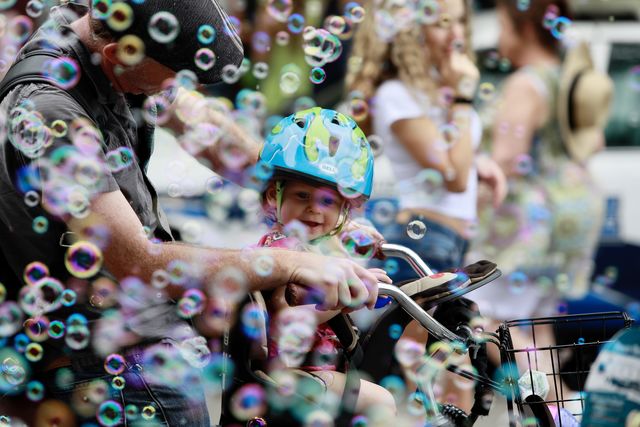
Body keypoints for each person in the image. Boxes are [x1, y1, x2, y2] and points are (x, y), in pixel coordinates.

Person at [0, 1, 380, 425]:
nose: (180, 89)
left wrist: (313, 198)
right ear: (117, 57)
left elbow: (212, 133)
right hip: (107, 365)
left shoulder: (104, 23)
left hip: (140, 339)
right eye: (174, 77)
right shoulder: (51, 112)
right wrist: (291, 262)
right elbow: (138, 261)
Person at [345, 0, 505, 412]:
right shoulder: (397, 94)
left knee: (447, 382)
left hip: (448, 243)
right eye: (441, 23)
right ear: (412, 33)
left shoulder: (435, 91)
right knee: (425, 382)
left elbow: (455, 159)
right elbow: (451, 173)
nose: (455, 34)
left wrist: (480, 164)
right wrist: (466, 97)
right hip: (424, 245)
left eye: (461, 22)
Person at [467, 0, 613, 401]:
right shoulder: (561, 75)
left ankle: (550, 407)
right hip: (570, 212)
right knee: (535, 327)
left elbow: (508, 159)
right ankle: (565, 406)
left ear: (524, 27)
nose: (498, 38)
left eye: (501, 25)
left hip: (527, 221)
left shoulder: (525, 83)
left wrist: (474, 184)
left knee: (482, 316)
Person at [254, 107, 396, 418]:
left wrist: (347, 232)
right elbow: (285, 323)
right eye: (302, 196)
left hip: (319, 364)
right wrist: (351, 292)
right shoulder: (280, 253)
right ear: (272, 197)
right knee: (381, 401)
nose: (315, 211)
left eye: (328, 201)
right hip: (292, 372)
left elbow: (325, 239)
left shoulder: (305, 244)